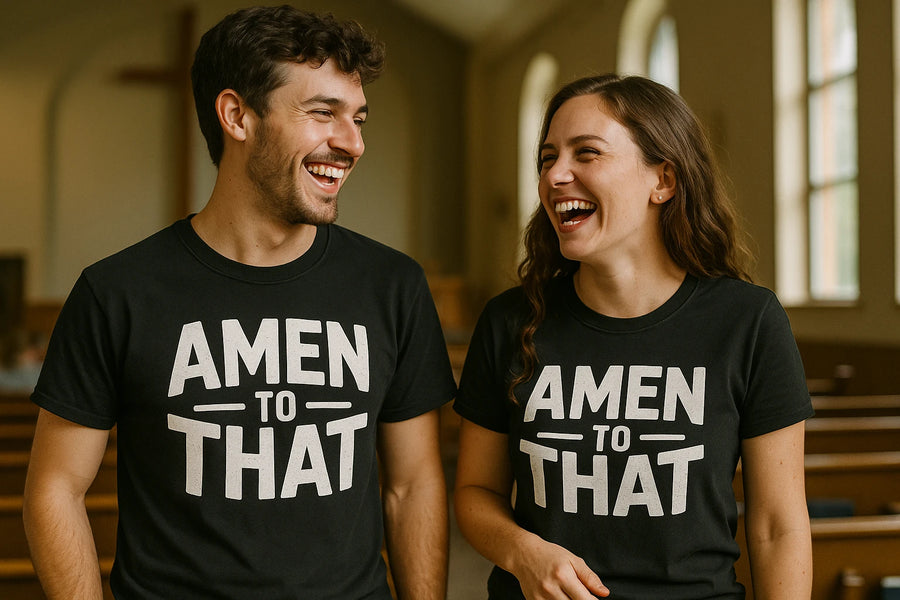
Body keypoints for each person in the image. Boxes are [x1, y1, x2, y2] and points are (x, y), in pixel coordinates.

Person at [23, 6, 456, 599]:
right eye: (322, 113)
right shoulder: (116, 292)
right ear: (237, 116)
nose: (352, 142)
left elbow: (412, 486)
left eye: (357, 118)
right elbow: (55, 489)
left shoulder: (393, 286)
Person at [453, 74, 813, 600]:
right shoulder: (510, 320)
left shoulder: (747, 322)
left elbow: (778, 525)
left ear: (662, 180)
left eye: (587, 153)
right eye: (548, 157)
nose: (556, 175)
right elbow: (475, 492)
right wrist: (523, 552)